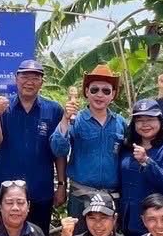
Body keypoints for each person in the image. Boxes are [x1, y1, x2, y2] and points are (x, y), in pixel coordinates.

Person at [0, 59, 65, 234]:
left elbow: (59, 152)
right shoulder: (2, 105)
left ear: (42, 82)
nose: (29, 81)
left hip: (40, 189)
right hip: (5, 190)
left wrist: (61, 184)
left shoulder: (54, 110)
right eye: (25, 76)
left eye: (35, 78)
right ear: (16, 78)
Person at [50, 64, 126, 218]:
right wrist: (65, 119)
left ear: (113, 95)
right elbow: (58, 149)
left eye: (106, 91)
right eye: (94, 89)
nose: (100, 94)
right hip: (81, 195)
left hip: (112, 197)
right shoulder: (75, 120)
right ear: (86, 92)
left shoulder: (121, 122)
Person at [116, 99, 163, 236]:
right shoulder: (128, 146)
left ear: (160, 121)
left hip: (157, 221)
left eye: (150, 119)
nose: (145, 124)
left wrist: (146, 161)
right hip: (129, 218)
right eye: (139, 120)